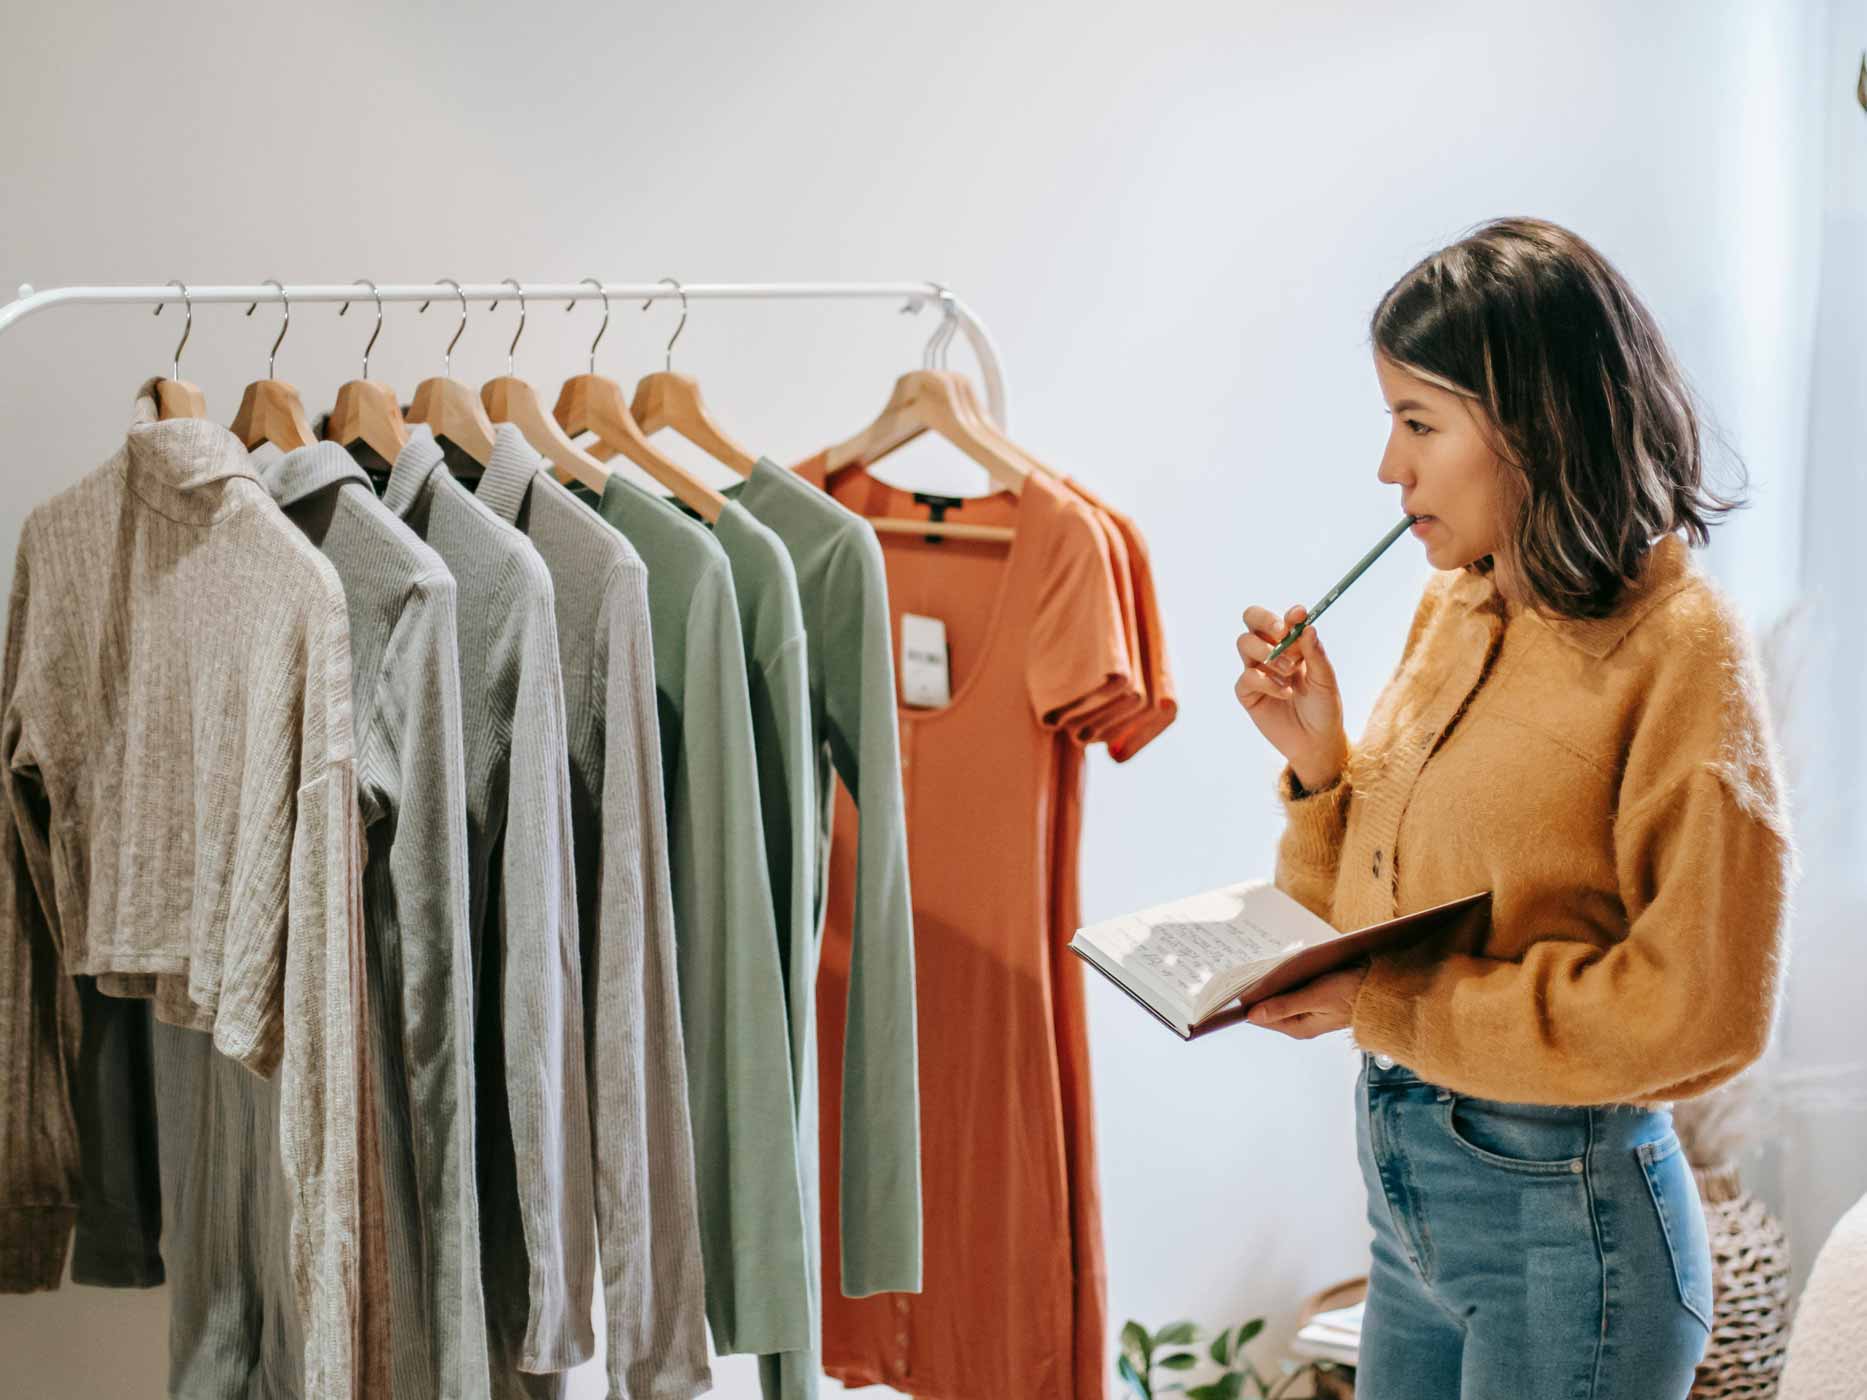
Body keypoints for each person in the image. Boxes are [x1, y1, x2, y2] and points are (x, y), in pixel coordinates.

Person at [1232, 216, 1800, 1400]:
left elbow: (1703, 1010)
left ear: (1538, 423)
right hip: (1411, 1208)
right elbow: (1357, 916)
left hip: (1570, 1229)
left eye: (1418, 423)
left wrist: (1387, 999)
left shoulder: (1681, 652)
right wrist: (1320, 766)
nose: (1390, 469)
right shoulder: (1460, 606)